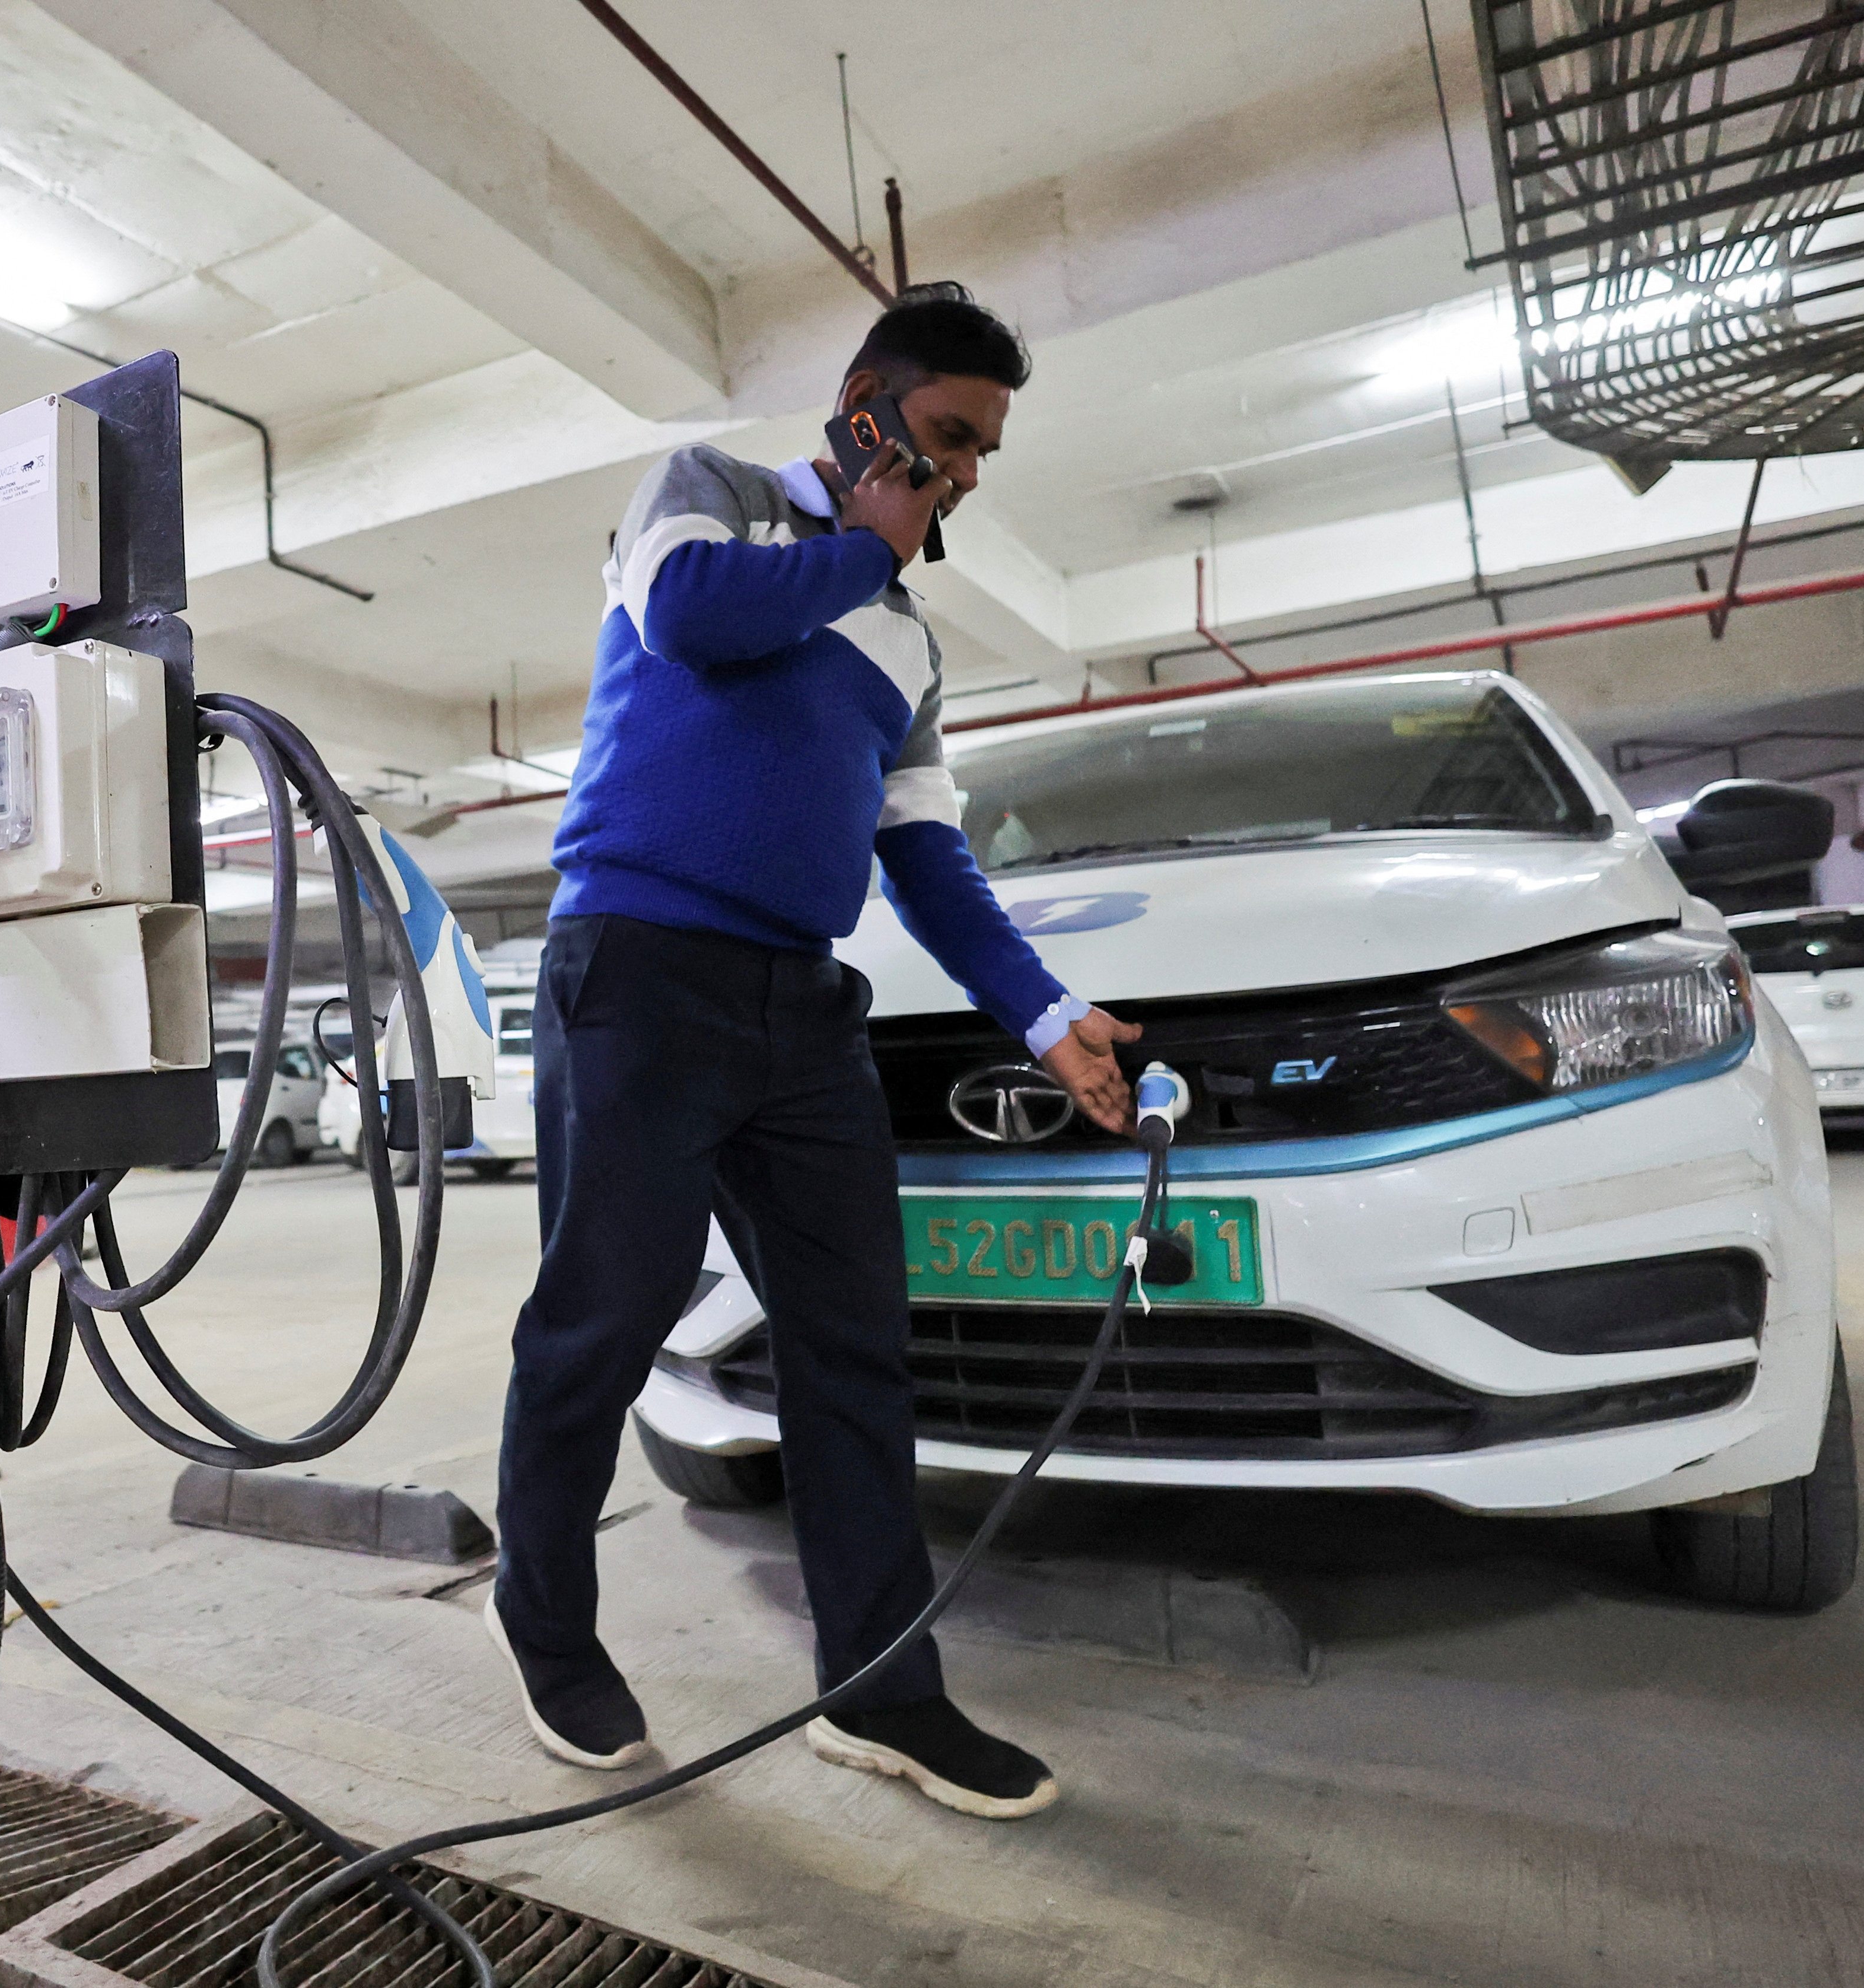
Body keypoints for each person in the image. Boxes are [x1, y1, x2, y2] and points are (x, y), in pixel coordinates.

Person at [486, 282, 1138, 1820]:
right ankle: (548, 1633)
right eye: (946, 436)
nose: (965, 473)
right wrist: (862, 542)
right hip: (636, 976)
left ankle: (881, 1694)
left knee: (853, 1349)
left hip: (799, 1009)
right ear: (865, 404)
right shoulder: (709, 498)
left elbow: (926, 861)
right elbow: (692, 621)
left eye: (982, 454)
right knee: (599, 1323)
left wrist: (1046, 1016)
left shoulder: (907, 650)